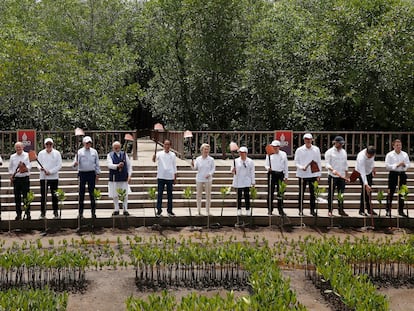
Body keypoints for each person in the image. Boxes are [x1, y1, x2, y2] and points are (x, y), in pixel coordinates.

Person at [72, 136, 101, 219]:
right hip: (82, 174)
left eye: (89, 143)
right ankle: (80, 213)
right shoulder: (79, 152)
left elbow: (97, 163)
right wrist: (75, 164)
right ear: (84, 143)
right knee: (81, 194)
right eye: (87, 143)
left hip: (91, 174)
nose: (88, 144)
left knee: (92, 194)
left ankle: (93, 212)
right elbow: (74, 165)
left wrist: (97, 174)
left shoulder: (94, 152)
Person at [294, 133, 322, 216]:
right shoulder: (299, 150)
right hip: (302, 174)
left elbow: (319, 162)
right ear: (304, 140)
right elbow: (296, 162)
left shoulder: (316, 149)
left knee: (313, 194)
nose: (308, 141)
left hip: (313, 174)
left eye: (309, 139)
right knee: (301, 193)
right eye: (306, 139)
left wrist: (319, 174)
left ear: (312, 140)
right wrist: (301, 167)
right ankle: (300, 210)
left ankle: (312, 210)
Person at [38, 138, 63, 219]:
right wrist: (40, 168)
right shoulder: (41, 153)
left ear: (52, 145)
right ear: (45, 145)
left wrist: (51, 171)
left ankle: (55, 212)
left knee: (54, 195)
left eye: (50, 144)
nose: (48, 146)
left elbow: (59, 165)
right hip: (43, 177)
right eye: (47, 144)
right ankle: (43, 213)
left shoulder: (57, 153)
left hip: (54, 177)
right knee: (43, 196)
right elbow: (38, 164)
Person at [325, 136, 349, 217]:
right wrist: (332, 169)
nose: (341, 145)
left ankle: (341, 209)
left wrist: (346, 175)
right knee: (331, 194)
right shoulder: (329, 152)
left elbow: (345, 164)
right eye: (340, 143)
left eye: (342, 143)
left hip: (341, 176)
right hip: (332, 176)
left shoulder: (344, 152)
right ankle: (330, 210)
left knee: (341, 193)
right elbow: (327, 164)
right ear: (335, 142)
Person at [385, 139, 410, 217]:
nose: (399, 147)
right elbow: (387, 166)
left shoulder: (405, 154)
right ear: (393, 146)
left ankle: (401, 210)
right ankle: (388, 210)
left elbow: (408, 164)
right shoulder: (389, 155)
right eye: (397, 145)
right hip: (393, 174)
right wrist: (396, 165)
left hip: (402, 174)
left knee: (402, 192)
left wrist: (404, 165)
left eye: (400, 145)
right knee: (390, 192)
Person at [152, 139, 177, 217]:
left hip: (169, 176)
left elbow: (174, 166)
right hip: (161, 176)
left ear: (170, 146)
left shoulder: (173, 155)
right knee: (160, 194)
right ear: (163, 145)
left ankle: (170, 210)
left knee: (170, 195)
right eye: (165, 145)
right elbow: (154, 160)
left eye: (168, 145)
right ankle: (159, 210)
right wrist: (153, 157)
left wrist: (175, 176)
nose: (166, 146)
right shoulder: (159, 154)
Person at [107, 141, 132, 216]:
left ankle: (125, 209)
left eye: (118, 147)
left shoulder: (124, 155)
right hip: (114, 177)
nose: (117, 149)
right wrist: (117, 166)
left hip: (123, 176)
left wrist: (129, 175)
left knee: (125, 194)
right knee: (115, 194)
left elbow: (129, 166)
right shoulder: (110, 155)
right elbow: (109, 165)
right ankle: (116, 209)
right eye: (115, 148)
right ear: (113, 148)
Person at [8, 142, 32, 220]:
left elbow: (29, 166)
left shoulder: (27, 155)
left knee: (26, 197)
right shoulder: (12, 157)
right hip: (16, 179)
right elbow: (10, 167)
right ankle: (18, 214)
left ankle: (27, 213)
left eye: (19, 147)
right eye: (17, 147)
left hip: (25, 178)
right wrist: (12, 174)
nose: (18, 149)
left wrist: (24, 168)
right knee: (17, 197)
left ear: (22, 147)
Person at [264, 140, 288, 216]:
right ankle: (270, 209)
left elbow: (286, 166)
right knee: (270, 192)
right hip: (272, 173)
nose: (275, 148)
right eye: (273, 147)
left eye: (276, 147)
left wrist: (286, 176)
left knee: (280, 192)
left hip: (280, 174)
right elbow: (266, 165)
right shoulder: (269, 154)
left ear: (279, 147)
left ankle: (280, 209)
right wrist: (268, 168)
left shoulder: (283, 154)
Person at [191, 143, 215, 216]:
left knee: (208, 195)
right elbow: (195, 168)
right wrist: (192, 164)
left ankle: (208, 211)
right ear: (201, 150)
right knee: (199, 195)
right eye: (205, 149)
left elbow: (213, 169)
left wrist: (210, 174)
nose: (206, 151)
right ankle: (198, 211)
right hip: (199, 178)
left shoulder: (211, 159)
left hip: (208, 179)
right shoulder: (198, 159)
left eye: (207, 149)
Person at [231, 146, 255, 216]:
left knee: (247, 196)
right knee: (239, 196)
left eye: (243, 153)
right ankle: (239, 209)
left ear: (246, 153)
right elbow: (232, 170)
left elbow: (252, 172)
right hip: (238, 181)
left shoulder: (250, 161)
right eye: (240, 153)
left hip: (246, 181)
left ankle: (248, 209)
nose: (241, 154)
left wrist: (253, 181)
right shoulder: (236, 161)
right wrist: (233, 170)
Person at [355, 146, 376, 216]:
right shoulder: (361, 157)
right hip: (360, 172)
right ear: (366, 153)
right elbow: (362, 173)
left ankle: (369, 209)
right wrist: (366, 184)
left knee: (369, 191)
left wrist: (373, 168)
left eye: (371, 156)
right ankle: (361, 210)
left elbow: (372, 161)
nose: (370, 157)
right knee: (364, 190)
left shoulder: (372, 154)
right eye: (369, 156)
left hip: (369, 172)